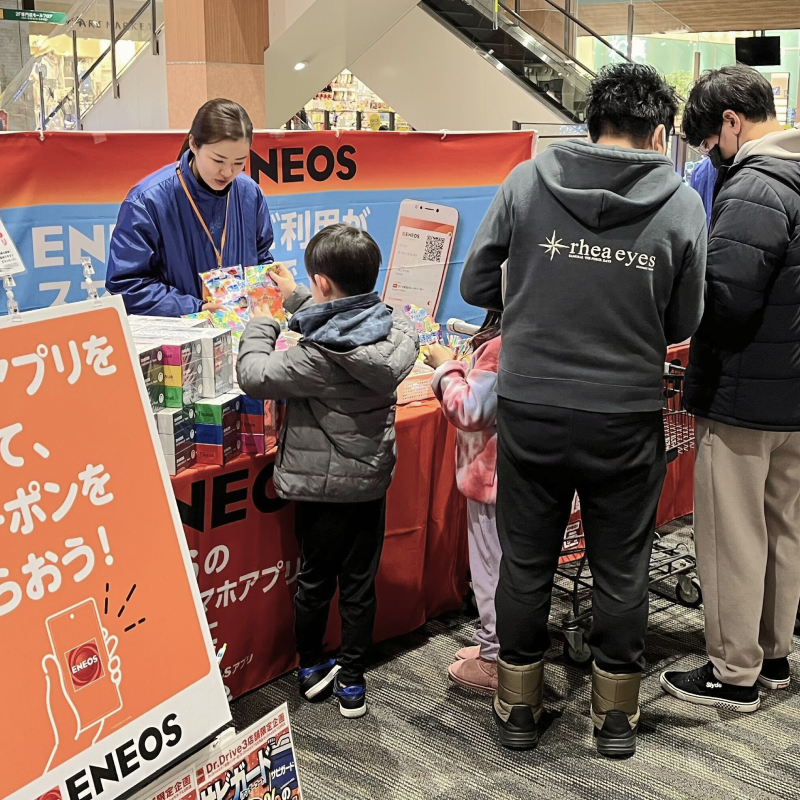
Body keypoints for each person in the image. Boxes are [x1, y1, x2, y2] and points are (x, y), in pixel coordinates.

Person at [461, 63, 707, 757]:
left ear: (591, 122)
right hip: (624, 411)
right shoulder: (682, 202)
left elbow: (478, 278)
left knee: (527, 559)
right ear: (659, 133)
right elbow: (686, 315)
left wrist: (532, 303)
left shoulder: (526, 182)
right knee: (621, 564)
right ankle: (616, 720)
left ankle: (516, 710)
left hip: (531, 402)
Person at [660, 66, 800, 712]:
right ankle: (772, 656)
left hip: (743, 392)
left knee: (732, 533)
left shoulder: (754, 183)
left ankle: (732, 670)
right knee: (782, 529)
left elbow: (729, 298)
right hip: (791, 395)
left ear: (731, 125)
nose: (712, 158)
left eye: (711, 143)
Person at [236, 225, 418, 719]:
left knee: (315, 581)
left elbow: (254, 376)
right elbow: (346, 321)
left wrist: (263, 322)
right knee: (360, 584)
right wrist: (297, 298)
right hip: (370, 483)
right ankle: (354, 682)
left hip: (320, 490)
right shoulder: (394, 330)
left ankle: (312, 665)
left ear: (322, 283)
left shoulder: (318, 357)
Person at [106, 98, 273, 316]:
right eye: (218, 160)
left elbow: (262, 258)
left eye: (239, 162)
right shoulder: (147, 201)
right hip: (178, 337)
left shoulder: (249, 193)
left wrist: (268, 285)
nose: (228, 172)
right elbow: (126, 284)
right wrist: (195, 308)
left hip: (241, 332)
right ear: (194, 144)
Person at [425, 312, 502, 693]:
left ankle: (496, 661)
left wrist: (446, 369)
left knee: (492, 571)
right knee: (498, 568)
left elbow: (470, 412)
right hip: (514, 474)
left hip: (493, 477)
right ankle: (497, 647)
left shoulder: (503, 346)